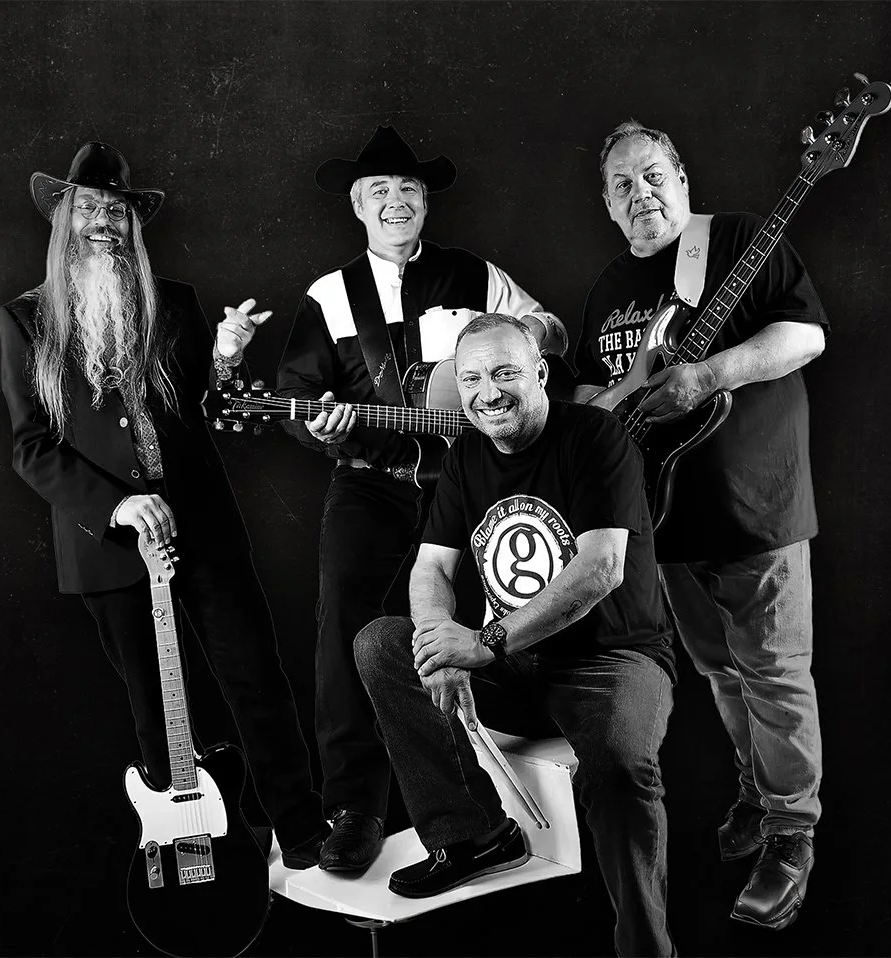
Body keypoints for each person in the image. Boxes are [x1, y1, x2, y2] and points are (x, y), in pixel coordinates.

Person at [0, 141, 328, 869]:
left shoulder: (173, 300)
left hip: (202, 522)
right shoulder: (25, 320)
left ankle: (301, 828)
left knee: (256, 678)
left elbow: (211, 410)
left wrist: (225, 358)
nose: (104, 222)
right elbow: (32, 447)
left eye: (116, 211)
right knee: (155, 711)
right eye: (90, 208)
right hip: (108, 546)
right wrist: (117, 508)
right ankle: (194, 859)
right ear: (64, 219)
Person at [274, 126, 570, 874]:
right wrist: (324, 429)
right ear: (357, 205)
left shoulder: (474, 274)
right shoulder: (327, 296)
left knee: (489, 608)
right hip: (371, 486)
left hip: (465, 488)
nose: (396, 201)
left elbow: (554, 335)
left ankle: (480, 787)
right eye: (380, 192)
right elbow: (300, 400)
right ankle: (355, 807)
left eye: (408, 189)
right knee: (346, 618)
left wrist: (514, 332)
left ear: (424, 202)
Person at [354, 314, 676, 956]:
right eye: (471, 378)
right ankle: (473, 835)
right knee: (383, 644)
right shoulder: (467, 454)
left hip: (612, 659)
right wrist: (438, 640)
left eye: (505, 373)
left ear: (541, 375)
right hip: (516, 667)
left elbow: (600, 567)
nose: (487, 392)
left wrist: (485, 642)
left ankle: (646, 946)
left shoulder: (596, 435)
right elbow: (432, 566)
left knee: (616, 764)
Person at [574, 120, 828, 930]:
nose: (640, 194)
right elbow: (588, 399)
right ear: (608, 207)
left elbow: (806, 333)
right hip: (662, 521)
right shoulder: (610, 285)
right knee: (722, 675)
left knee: (776, 674)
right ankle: (757, 795)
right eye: (622, 186)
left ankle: (792, 835)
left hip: (757, 507)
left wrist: (712, 373)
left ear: (681, 176)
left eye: (652, 176)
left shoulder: (743, 241)